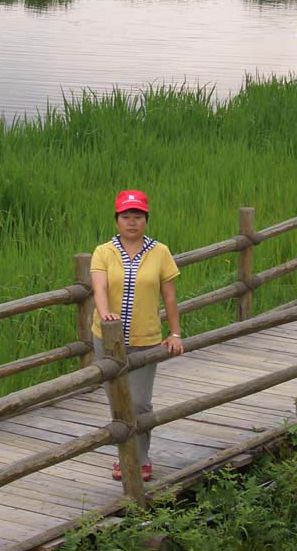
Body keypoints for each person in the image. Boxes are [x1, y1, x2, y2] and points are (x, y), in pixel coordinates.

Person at [90, 189, 182, 482]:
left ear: (146, 219)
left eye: (138, 216)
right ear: (117, 220)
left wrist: (175, 332)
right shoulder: (104, 251)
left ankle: (141, 458)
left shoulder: (160, 252)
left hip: (146, 338)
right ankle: (123, 458)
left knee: (140, 403)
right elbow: (100, 288)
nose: (132, 222)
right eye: (126, 216)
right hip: (108, 339)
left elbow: (169, 296)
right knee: (118, 403)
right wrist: (106, 317)